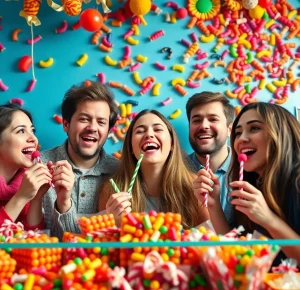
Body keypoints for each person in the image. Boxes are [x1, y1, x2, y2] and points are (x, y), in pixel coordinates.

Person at [193, 102, 300, 264]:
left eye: (255, 128)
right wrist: (213, 204)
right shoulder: (256, 185)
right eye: (238, 133)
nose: (241, 139)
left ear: (281, 132)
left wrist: (269, 219)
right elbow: (239, 250)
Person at [99, 109, 209, 227]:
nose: (149, 135)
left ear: (172, 144)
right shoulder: (113, 190)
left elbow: (211, 238)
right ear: (130, 147)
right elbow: (102, 240)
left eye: (157, 129)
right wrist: (116, 225)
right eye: (140, 131)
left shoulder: (194, 187)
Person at [41, 82, 119, 239]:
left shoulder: (120, 172)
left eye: (101, 122)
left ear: (108, 131)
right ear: (66, 124)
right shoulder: (40, 165)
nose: (93, 127)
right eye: (84, 119)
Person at [0, 104, 52, 230]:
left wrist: (36, 197)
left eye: (32, 131)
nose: (34, 139)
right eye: (21, 131)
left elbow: (34, 236)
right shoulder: (23, 191)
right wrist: (21, 197)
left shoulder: (25, 181)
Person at [186, 92, 235, 223]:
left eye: (213, 119)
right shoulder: (175, 170)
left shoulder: (248, 170)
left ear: (229, 129)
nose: (204, 126)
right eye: (196, 120)